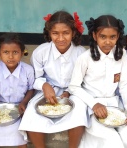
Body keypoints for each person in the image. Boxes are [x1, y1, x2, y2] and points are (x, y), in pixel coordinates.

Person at [18, 10, 88, 148]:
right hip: (47, 89)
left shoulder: (81, 53)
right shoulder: (41, 52)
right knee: (32, 114)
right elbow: (35, 78)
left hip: (74, 91)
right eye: (55, 33)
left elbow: (83, 80)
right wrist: (44, 86)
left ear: (73, 33)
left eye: (66, 33)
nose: (60, 38)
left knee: (79, 113)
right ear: (49, 33)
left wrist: (70, 91)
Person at [68, 15, 127, 148]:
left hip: (114, 106)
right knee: (113, 141)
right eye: (103, 36)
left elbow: (124, 85)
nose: (108, 42)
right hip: (92, 106)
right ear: (94, 36)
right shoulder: (85, 58)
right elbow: (74, 87)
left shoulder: (121, 54)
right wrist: (94, 104)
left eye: (112, 37)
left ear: (118, 36)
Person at [0, 33, 35, 148]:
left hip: (20, 108)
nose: (11, 56)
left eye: (15, 52)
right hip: (0, 108)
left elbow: (31, 89)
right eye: (6, 52)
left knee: (20, 134)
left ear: (22, 53)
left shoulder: (28, 70)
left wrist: (24, 102)